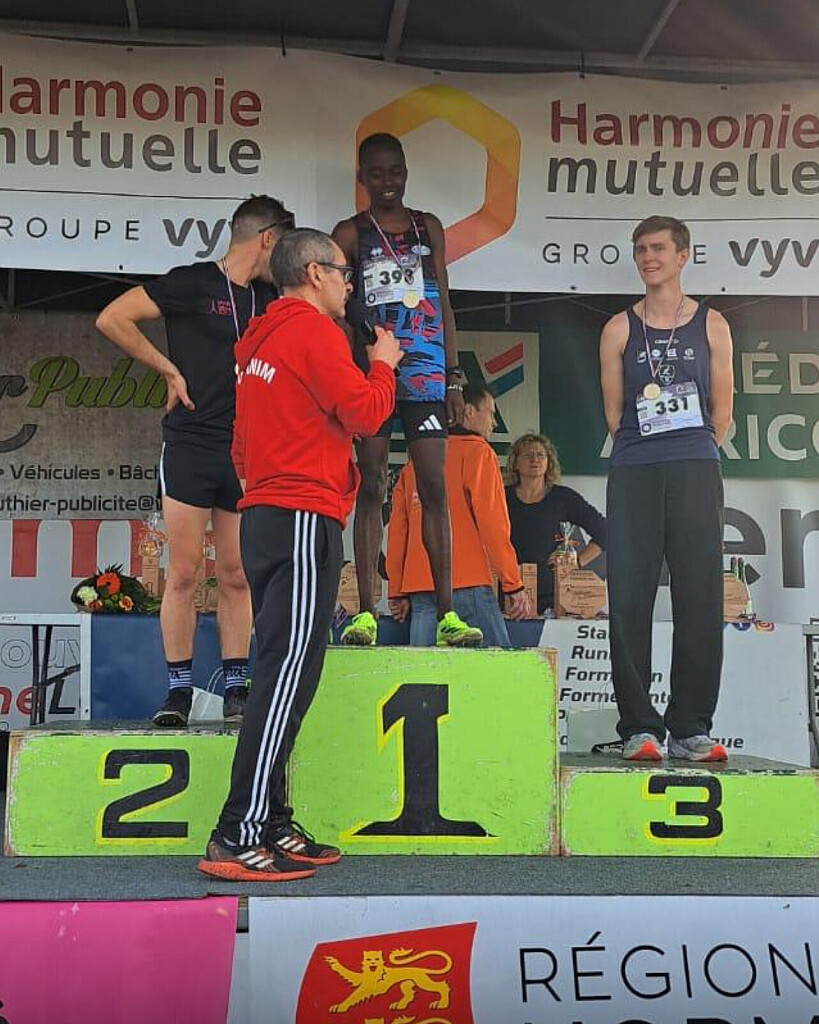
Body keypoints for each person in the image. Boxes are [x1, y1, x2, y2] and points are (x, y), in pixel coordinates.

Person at [199, 228, 401, 881]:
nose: (348, 284)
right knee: (287, 674)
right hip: (302, 513)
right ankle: (239, 829)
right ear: (315, 273)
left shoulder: (260, 339)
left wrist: (269, 483)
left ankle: (272, 821)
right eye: (343, 272)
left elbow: (240, 444)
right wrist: (384, 364)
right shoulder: (314, 332)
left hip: (264, 512)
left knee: (282, 672)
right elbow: (365, 414)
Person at [96, 195, 295, 728]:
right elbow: (113, 318)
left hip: (244, 449)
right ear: (267, 238)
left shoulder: (272, 298)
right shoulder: (193, 283)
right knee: (183, 571)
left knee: (236, 573)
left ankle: (236, 688)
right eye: (284, 245)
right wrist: (167, 369)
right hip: (190, 442)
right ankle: (178, 692)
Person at [332, 132, 481, 648]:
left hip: (426, 374)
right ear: (362, 178)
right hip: (373, 373)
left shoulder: (428, 227)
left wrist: (454, 375)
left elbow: (444, 304)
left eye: (394, 171)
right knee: (372, 485)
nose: (387, 181)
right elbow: (339, 311)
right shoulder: (350, 233)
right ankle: (365, 613)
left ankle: (447, 614)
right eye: (376, 173)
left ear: (406, 172)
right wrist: (346, 377)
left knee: (433, 488)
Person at [599, 215, 734, 762]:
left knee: (699, 595)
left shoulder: (712, 324)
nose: (648, 257)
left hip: (696, 465)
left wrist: (691, 448)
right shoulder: (618, 328)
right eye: (640, 249)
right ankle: (639, 727)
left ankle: (690, 727)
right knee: (629, 596)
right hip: (635, 467)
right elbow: (614, 415)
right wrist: (647, 450)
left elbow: (722, 411)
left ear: (683, 256)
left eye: (657, 248)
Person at [387, 385, 531, 645]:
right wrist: (512, 583)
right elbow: (493, 524)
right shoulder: (478, 453)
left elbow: (397, 532)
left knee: (424, 670)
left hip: (421, 589)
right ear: (469, 411)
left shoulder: (413, 466)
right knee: (498, 668)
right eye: (491, 413)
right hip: (467, 583)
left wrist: (396, 590)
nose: (494, 423)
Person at [505, 433, 606, 615]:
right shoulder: (500, 496)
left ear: (549, 462)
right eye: (527, 455)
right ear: (515, 463)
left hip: (553, 597)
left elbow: (605, 532)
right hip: (508, 595)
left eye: (541, 455)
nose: (535, 459)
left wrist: (577, 561)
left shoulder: (563, 497)